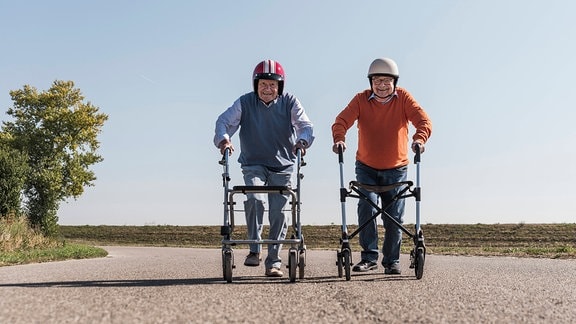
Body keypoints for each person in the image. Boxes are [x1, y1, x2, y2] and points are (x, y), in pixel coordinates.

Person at [214, 59, 315, 277]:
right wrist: (224, 140)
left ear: (280, 86)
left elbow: (305, 126)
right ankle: (255, 249)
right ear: (255, 85)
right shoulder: (245, 103)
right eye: (263, 85)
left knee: (279, 211)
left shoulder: (290, 102)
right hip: (253, 164)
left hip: (283, 165)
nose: (267, 89)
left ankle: (274, 261)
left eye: (272, 85)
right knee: (254, 199)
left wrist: (302, 141)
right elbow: (223, 122)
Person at [331, 57, 432, 275]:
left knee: (393, 216)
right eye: (377, 80)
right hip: (366, 166)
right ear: (371, 82)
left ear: (394, 81)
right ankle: (369, 258)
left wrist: (419, 139)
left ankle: (392, 261)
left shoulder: (403, 98)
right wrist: (339, 138)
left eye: (386, 80)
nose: (382, 85)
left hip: (396, 168)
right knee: (366, 208)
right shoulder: (360, 99)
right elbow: (341, 121)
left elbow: (423, 121)